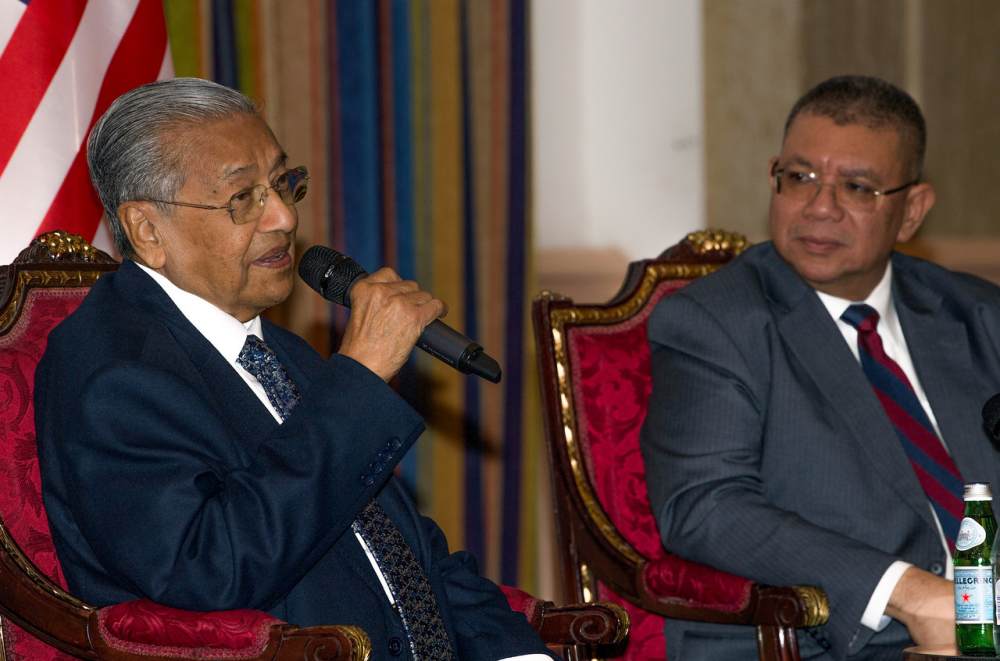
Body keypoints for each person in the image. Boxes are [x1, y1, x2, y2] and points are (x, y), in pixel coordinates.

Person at [34, 78, 552, 661]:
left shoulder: (283, 352)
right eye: (243, 198)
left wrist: (518, 653)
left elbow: (406, 550)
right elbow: (213, 573)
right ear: (148, 230)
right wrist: (357, 377)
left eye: (281, 183)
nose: (283, 217)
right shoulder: (114, 374)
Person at [639, 74, 1000, 661]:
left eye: (857, 187)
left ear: (911, 212)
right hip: (821, 642)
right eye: (799, 178)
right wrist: (910, 593)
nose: (819, 207)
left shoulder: (980, 316)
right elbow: (704, 506)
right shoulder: (716, 322)